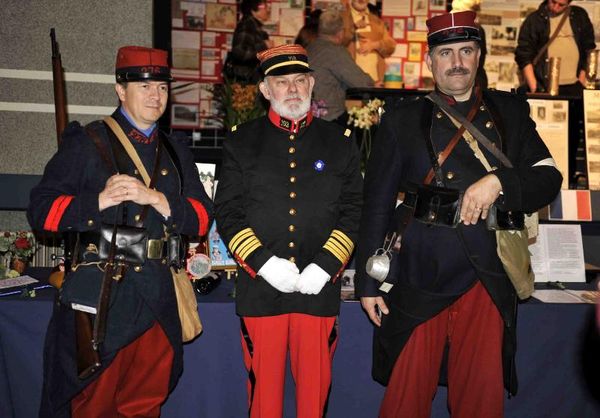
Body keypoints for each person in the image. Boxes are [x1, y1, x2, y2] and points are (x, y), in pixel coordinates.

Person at [355, 11, 562, 418]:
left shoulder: (510, 112)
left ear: (479, 56)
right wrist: (367, 282)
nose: (457, 62)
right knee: (407, 394)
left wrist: (499, 181)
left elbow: (548, 178)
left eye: (466, 51)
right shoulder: (401, 120)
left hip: (487, 268)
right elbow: (376, 204)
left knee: (479, 396)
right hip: (420, 268)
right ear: (430, 61)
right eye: (445, 53)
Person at [28, 46, 213, 418]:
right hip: (102, 297)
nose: (155, 96)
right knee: (93, 404)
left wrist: (158, 199)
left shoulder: (176, 151)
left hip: (158, 296)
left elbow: (201, 219)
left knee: (144, 404)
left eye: (161, 87)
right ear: (120, 90)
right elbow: (41, 212)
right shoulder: (87, 142)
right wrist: (95, 202)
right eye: (144, 86)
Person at [214, 44, 363, 418]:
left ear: (312, 85)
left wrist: (326, 266)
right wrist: (264, 264)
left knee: (314, 398)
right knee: (264, 400)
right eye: (282, 82)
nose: (293, 89)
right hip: (262, 290)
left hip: (318, 291)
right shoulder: (239, 142)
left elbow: (352, 211)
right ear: (266, 90)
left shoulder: (341, 144)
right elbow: (228, 213)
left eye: (300, 81)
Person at [307, 8, 374, 125]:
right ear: (340, 33)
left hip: (307, 116)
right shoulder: (335, 52)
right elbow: (362, 83)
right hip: (328, 118)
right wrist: (373, 82)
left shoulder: (310, 48)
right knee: (359, 132)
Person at [515, 0, 596, 95]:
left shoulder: (579, 16)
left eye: (561, 5)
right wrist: (534, 87)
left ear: (568, 3)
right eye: (553, 2)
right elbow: (523, 54)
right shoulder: (535, 19)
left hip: (575, 85)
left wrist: (582, 80)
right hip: (544, 85)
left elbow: (588, 48)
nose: (555, 7)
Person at [341, 0, 396, 84]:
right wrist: (353, 28)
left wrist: (375, 45)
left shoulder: (377, 21)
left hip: (374, 82)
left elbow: (391, 47)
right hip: (348, 81)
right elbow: (334, 44)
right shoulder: (341, 18)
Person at [224, 0, 273, 84]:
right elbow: (239, 52)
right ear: (253, 9)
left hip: (249, 79)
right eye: (264, 6)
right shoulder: (247, 25)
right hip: (245, 81)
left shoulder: (254, 26)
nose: (267, 9)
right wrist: (264, 46)